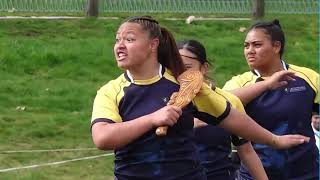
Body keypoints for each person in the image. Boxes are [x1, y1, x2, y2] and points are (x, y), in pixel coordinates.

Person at [90, 16, 309, 179]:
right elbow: (103, 138)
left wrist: (274, 140)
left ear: (153, 44)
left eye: (128, 39)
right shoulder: (110, 91)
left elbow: (231, 116)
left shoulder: (187, 84)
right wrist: (153, 118)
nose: (119, 45)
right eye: (117, 39)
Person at [223, 19, 319, 179]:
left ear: (276, 46)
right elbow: (220, 105)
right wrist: (266, 84)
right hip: (255, 173)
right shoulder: (239, 82)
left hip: (306, 172)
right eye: (246, 46)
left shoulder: (307, 77)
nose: (249, 51)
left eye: (257, 45)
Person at [177, 39, 268, 180]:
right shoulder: (162, 100)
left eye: (187, 67)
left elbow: (247, 152)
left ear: (204, 68)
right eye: (175, 67)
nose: (181, 74)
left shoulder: (228, 101)